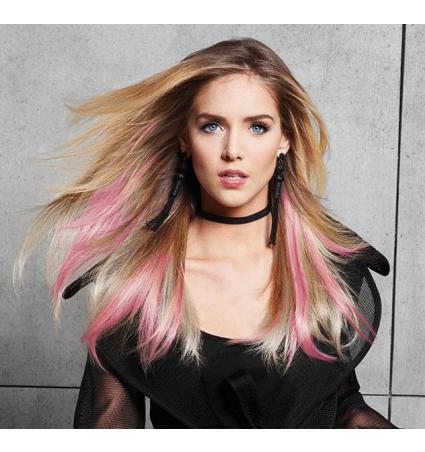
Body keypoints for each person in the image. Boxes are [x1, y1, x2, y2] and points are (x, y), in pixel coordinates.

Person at [13, 37, 398, 428]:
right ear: (185, 137)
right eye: (211, 126)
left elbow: (344, 406)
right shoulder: (135, 288)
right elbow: (110, 422)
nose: (233, 149)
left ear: (285, 138)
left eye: (257, 127)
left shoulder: (329, 273)